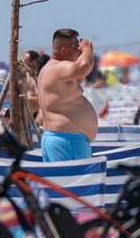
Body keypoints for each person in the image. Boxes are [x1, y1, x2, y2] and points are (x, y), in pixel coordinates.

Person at [37, 28, 98, 162]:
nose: (78, 50)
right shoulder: (57, 68)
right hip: (67, 140)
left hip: (59, 138)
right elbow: (84, 66)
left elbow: (81, 74)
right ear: (65, 51)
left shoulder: (50, 70)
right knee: (76, 182)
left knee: (59, 182)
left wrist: (82, 53)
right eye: (76, 47)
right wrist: (88, 49)